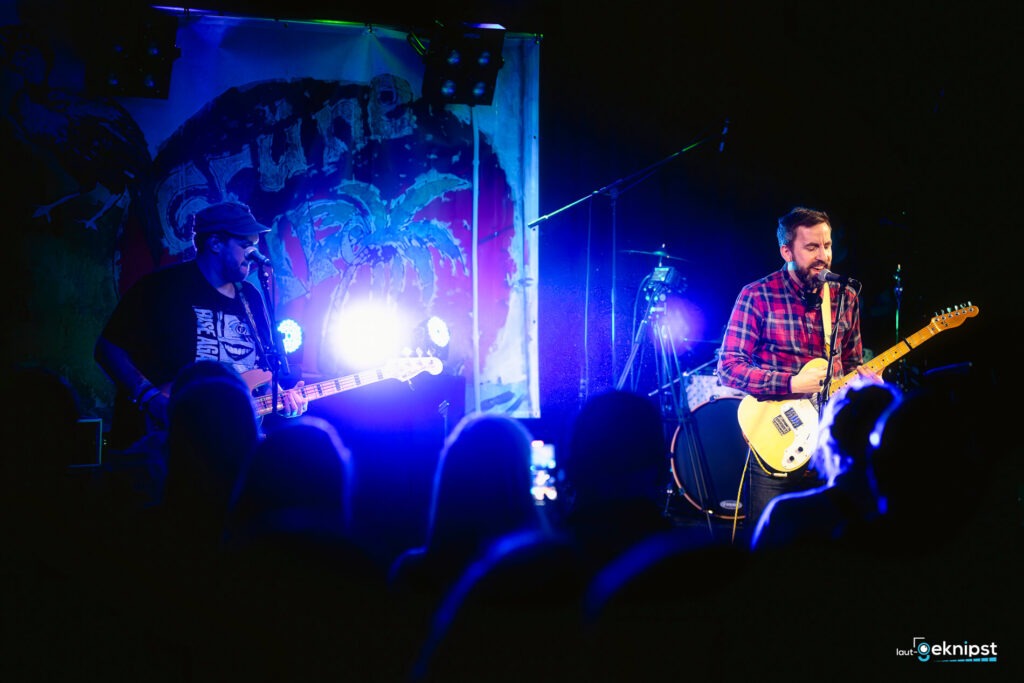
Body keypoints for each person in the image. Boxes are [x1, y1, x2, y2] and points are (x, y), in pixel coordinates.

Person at [94, 201, 307, 450]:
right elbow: (108, 348)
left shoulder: (251, 297)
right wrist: (149, 397)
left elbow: (260, 368)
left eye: (255, 246)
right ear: (215, 243)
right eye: (245, 245)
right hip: (168, 447)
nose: (254, 254)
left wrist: (283, 400)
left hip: (231, 448)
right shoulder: (161, 288)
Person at [717, 206, 875, 529]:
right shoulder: (757, 296)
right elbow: (729, 368)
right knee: (768, 552)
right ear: (786, 250)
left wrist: (866, 382)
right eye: (812, 247)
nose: (823, 256)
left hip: (831, 445)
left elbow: (853, 363)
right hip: (777, 444)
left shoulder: (845, 297)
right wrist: (791, 384)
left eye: (827, 246)